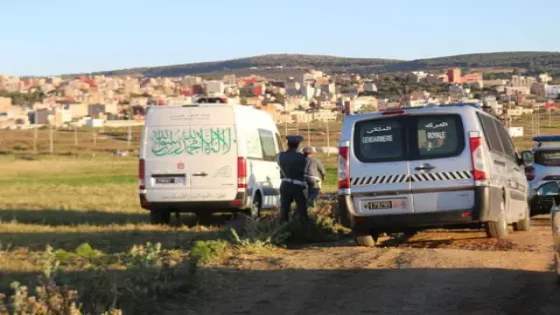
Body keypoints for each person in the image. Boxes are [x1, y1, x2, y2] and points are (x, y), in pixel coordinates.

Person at [275, 135, 309, 223]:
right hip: (298, 186)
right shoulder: (303, 158)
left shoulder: (280, 156)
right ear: (298, 145)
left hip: (285, 185)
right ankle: (304, 229)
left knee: (284, 210)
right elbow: (305, 171)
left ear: (288, 144)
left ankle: (283, 229)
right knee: (302, 210)